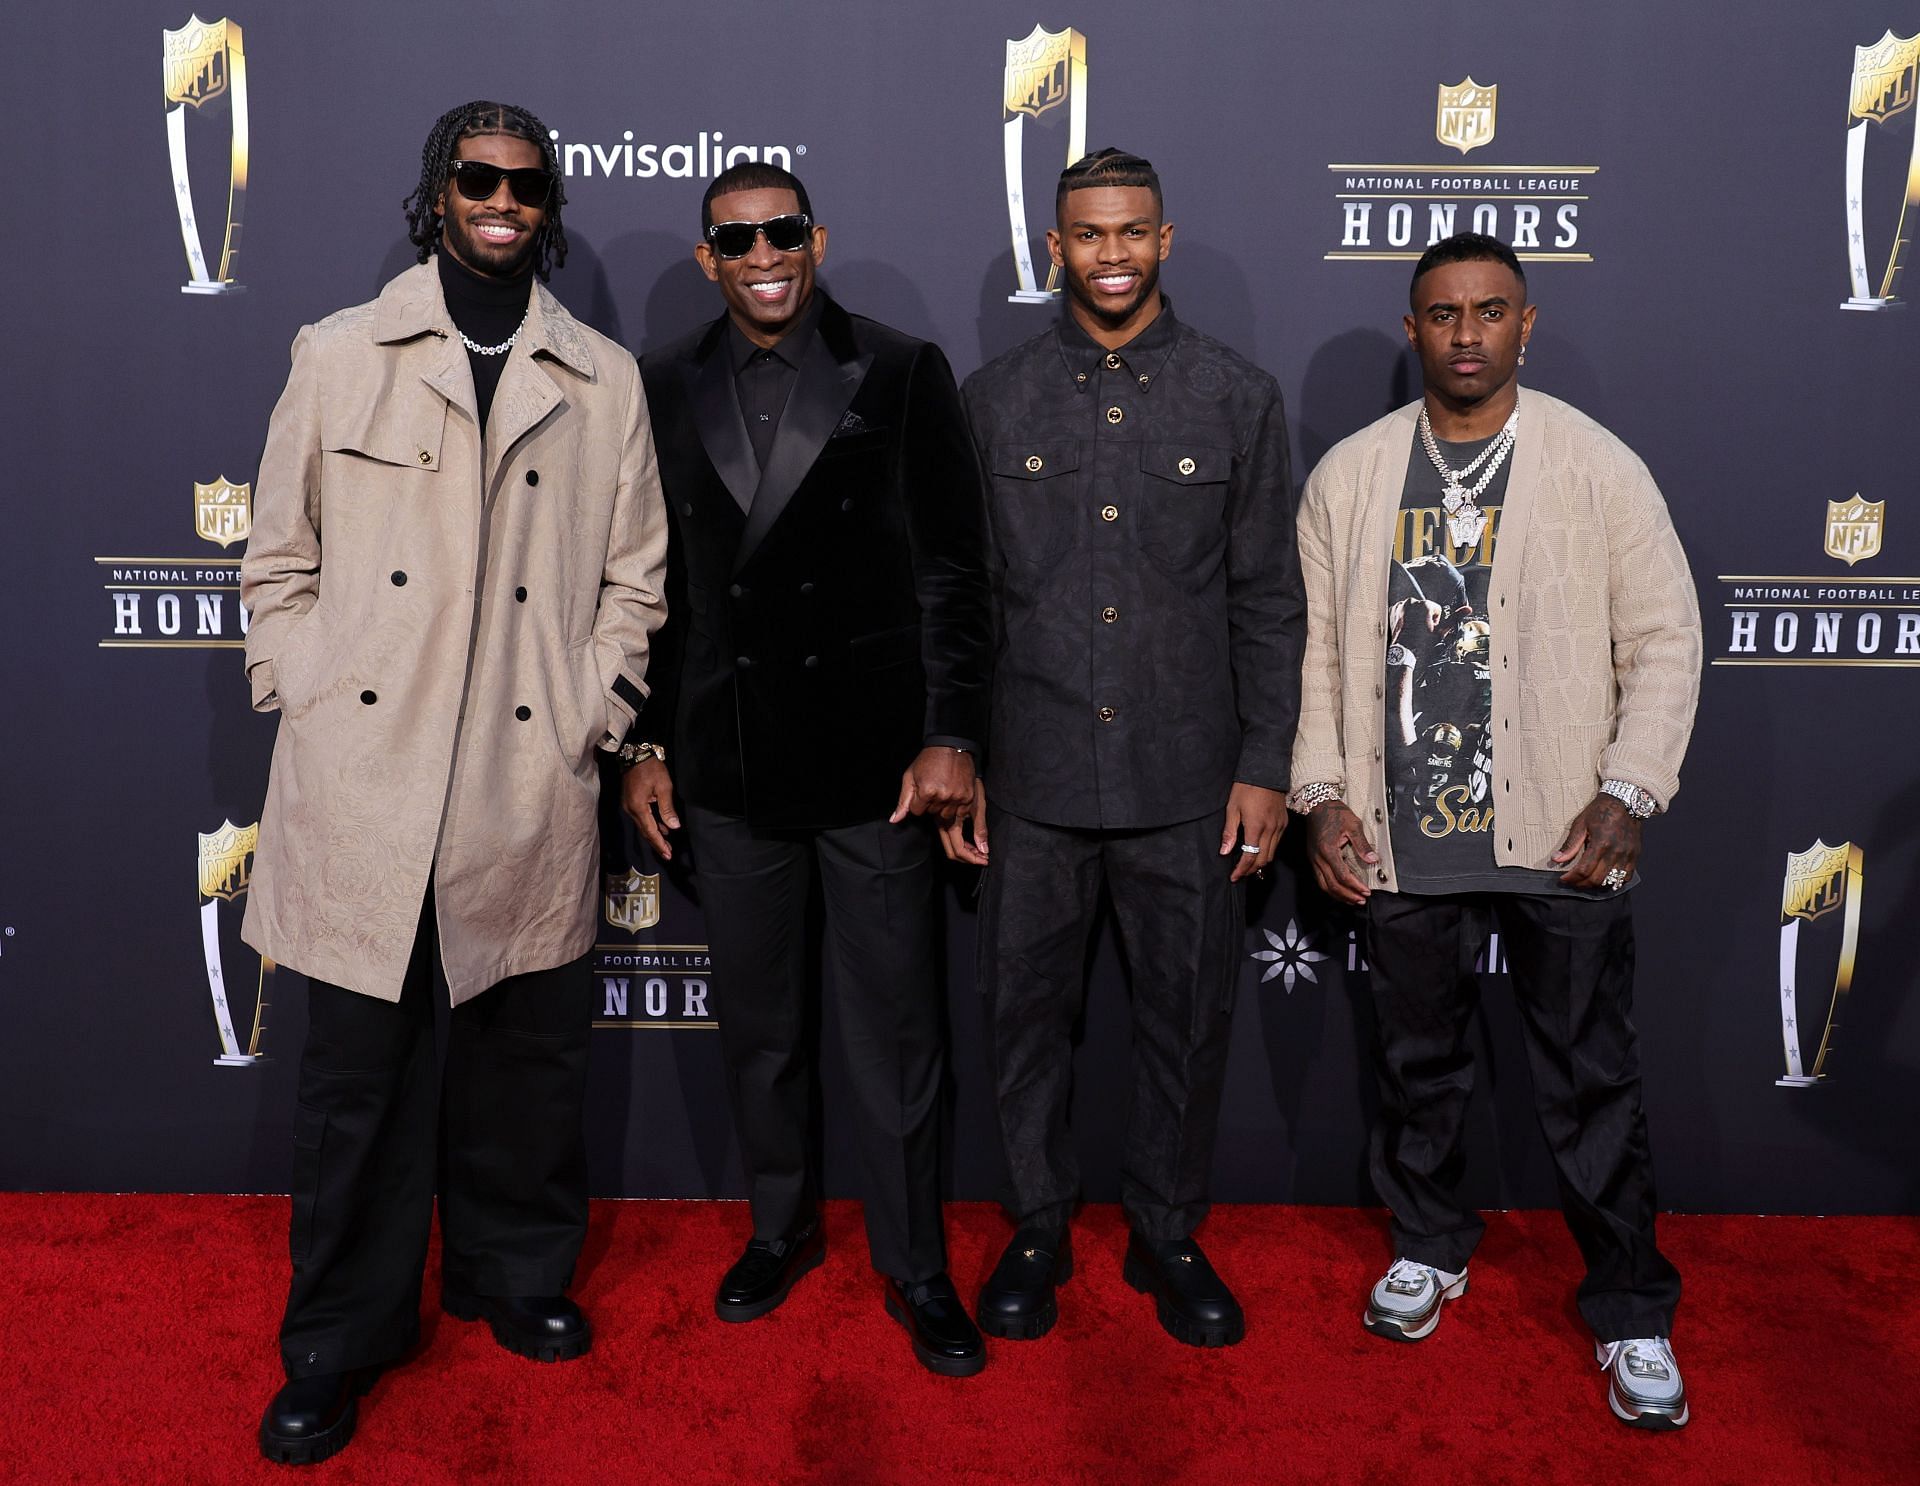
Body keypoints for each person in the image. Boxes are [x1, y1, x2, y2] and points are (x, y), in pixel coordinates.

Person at [241, 100, 668, 1465]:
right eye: (477, 179)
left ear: (549, 206)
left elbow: (635, 579)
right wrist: (308, 695)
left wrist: (585, 720)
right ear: (434, 196)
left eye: (526, 183)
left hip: (521, 777)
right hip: (366, 777)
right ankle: (338, 1341)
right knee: (358, 1085)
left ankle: (513, 1276)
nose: (502, 200)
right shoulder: (339, 351)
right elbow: (277, 562)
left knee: (524, 1061)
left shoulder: (601, 376)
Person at [1290, 232, 1701, 1429]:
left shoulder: (1597, 467)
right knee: (1417, 1068)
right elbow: (1313, 656)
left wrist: (1629, 788)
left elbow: (1667, 641)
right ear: (1411, 330)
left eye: (1489, 311)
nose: (1465, 332)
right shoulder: (1351, 476)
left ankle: (1630, 1307)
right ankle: (1429, 1243)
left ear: (1528, 324)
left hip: (1567, 830)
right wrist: (1319, 792)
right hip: (1400, 835)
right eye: (1441, 313)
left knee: (1592, 1083)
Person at [622, 163, 994, 1377]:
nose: (765, 255)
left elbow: (952, 569)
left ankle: (915, 1264)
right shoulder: (662, 381)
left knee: (896, 1032)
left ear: (818, 239)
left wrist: (952, 734)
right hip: (731, 762)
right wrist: (645, 740)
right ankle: (778, 1231)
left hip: (877, 765)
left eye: (784, 232)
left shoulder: (899, 368)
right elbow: (648, 587)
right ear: (707, 258)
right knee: (764, 1030)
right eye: (739, 240)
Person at [954, 149, 1304, 1348]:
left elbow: (1267, 598)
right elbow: (961, 601)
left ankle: (1166, 1232)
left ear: (1166, 239)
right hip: (1034, 779)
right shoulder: (991, 401)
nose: (1111, 253)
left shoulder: (1236, 397)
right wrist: (960, 749)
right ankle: (1038, 1228)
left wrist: (1265, 762)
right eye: (1088, 234)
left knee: (1186, 1018)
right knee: (1023, 1018)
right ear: (1055, 248)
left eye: (1132, 232)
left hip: (1187, 780)